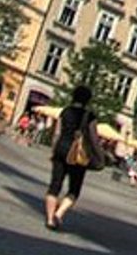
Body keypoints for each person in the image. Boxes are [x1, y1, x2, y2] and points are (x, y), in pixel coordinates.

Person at [44, 84, 105, 231]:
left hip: (61, 150)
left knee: (54, 185)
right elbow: (94, 138)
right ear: (88, 100)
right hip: (78, 155)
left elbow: (57, 133)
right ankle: (59, 214)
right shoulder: (90, 116)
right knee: (74, 189)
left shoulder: (65, 111)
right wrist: (100, 156)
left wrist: (53, 150)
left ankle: (50, 218)